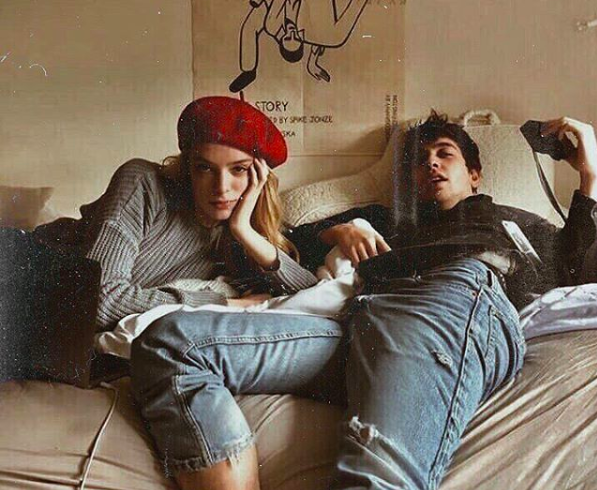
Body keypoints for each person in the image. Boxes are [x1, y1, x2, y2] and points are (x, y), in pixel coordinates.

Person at [131, 112, 597, 490]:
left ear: (474, 174)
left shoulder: (510, 222)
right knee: (171, 343)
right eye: (420, 160)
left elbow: (575, 269)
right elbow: (289, 252)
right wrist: (334, 230)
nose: (431, 164)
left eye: (444, 154)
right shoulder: (385, 220)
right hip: (363, 318)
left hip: (453, 301)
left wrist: (589, 178)